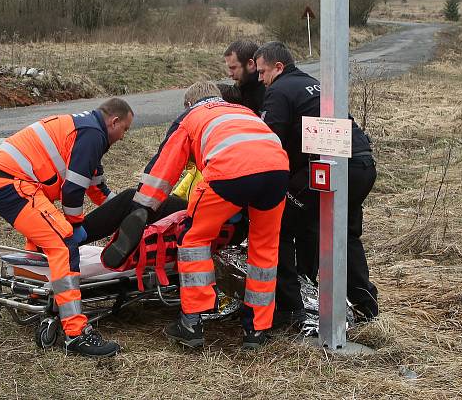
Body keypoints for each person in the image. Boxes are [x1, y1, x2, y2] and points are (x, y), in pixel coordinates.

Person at [127, 81, 289, 349]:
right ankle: (257, 329)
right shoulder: (242, 110)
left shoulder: (191, 117)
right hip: (276, 171)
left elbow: (164, 167)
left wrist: (142, 208)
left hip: (229, 172)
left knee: (193, 239)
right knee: (265, 249)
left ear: (189, 105)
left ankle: (192, 322)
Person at [0, 98, 134, 357]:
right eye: (125, 129)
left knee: (46, 239)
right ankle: (75, 333)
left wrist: (129, 206)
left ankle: (39, 295)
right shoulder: (93, 135)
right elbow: (72, 191)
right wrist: (75, 226)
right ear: (113, 121)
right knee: (63, 242)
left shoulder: (88, 130)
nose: (124, 136)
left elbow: (97, 189)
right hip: (12, 183)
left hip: (3, 181)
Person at [254, 41, 379, 324]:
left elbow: (270, 143)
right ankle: (365, 305)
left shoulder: (278, 91)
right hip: (361, 164)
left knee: (280, 226)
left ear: (278, 67)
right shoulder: (312, 84)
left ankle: (289, 306)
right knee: (342, 233)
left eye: (262, 72)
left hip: (329, 166)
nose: (260, 79)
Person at [223, 40, 265, 115]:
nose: (229, 74)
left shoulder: (268, 92)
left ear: (250, 64)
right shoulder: (245, 83)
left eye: (233, 68)